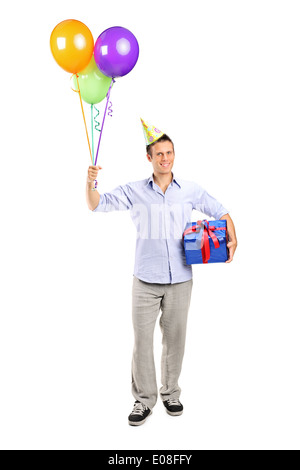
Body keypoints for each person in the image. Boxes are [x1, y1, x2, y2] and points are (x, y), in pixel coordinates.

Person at [86, 119, 237, 426]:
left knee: (175, 339)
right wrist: (90, 183)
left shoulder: (190, 190)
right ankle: (143, 400)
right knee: (142, 341)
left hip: (181, 279)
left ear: (173, 155)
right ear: (149, 158)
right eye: (159, 154)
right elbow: (96, 205)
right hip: (144, 280)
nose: (165, 158)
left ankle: (171, 393)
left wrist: (234, 238)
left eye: (169, 153)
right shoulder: (135, 191)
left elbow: (220, 209)